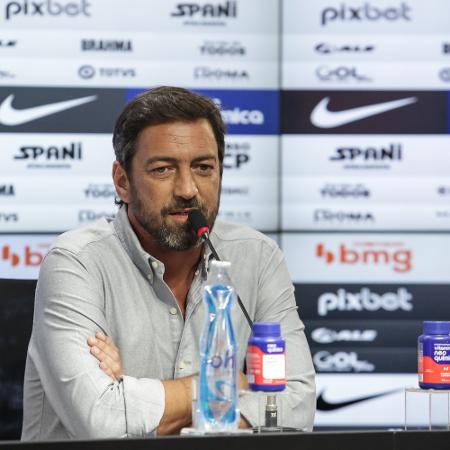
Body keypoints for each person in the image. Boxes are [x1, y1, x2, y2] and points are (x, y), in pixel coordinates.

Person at [21, 86, 316, 440]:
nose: (188, 189)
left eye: (204, 167)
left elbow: (297, 406)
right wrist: (228, 385)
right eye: (163, 169)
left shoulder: (258, 257)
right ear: (122, 182)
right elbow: (100, 420)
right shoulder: (76, 262)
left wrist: (132, 395)